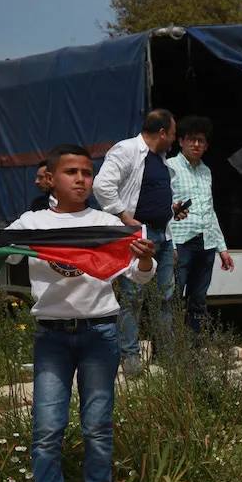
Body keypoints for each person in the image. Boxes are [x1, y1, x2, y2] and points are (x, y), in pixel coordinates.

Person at [6, 145, 157, 482]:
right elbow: (1, 252)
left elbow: (140, 275)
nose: (80, 179)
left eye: (87, 173)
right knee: (46, 429)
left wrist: (145, 261)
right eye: (70, 172)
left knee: (97, 425)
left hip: (99, 334)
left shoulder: (106, 224)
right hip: (51, 337)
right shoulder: (32, 224)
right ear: (49, 179)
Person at [92, 109, 185, 377]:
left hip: (163, 235)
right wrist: (123, 216)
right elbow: (102, 185)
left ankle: (166, 355)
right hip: (138, 236)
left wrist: (171, 211)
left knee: (166, 297)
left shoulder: (160, 160)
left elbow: (152, 195)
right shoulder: (127, 150)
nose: (174, 139)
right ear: (162, 133)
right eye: (173, 134)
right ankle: (131, 358)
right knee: (133, 298)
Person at [166, 116, 234, 334]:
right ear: (181, 141)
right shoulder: (170, 167)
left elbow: (210, 211)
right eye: (191, 139)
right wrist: (170, 244)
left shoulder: (206, 171)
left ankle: (193, 347)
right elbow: (162, 207)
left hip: (206, 244)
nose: (196, 144)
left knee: (198, 300)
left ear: (206, 146)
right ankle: (169, 349)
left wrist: (222, 248)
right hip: (181, 242)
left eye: (201, 141)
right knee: (172, 299)